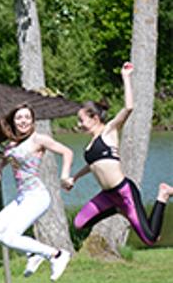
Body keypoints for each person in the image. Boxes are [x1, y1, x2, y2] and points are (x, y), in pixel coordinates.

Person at [65, 61, 171, 244]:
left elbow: (128, 108)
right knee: (79, 223)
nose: (79, 124)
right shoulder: (90, 144)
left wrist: (126, 77)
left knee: (150, 238)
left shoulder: (109, 131)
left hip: (124, 192)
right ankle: (116, 209)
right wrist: (75, 178)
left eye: (81, 120)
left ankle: (163, 195)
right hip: (107, 196)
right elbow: (93, 165)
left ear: (94, 118)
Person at [0, 104, 74, 280]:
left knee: (10, 236)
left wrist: (64, 176)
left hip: (37, 197)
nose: (23, 121)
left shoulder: (38, 139)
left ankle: (57, 255)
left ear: (33, 121)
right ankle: (32, 253)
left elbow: (67, 152)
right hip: (22, 197)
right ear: (13, 121)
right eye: (19, 118)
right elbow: (8, 158)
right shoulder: (12, 144)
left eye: (27, 117)